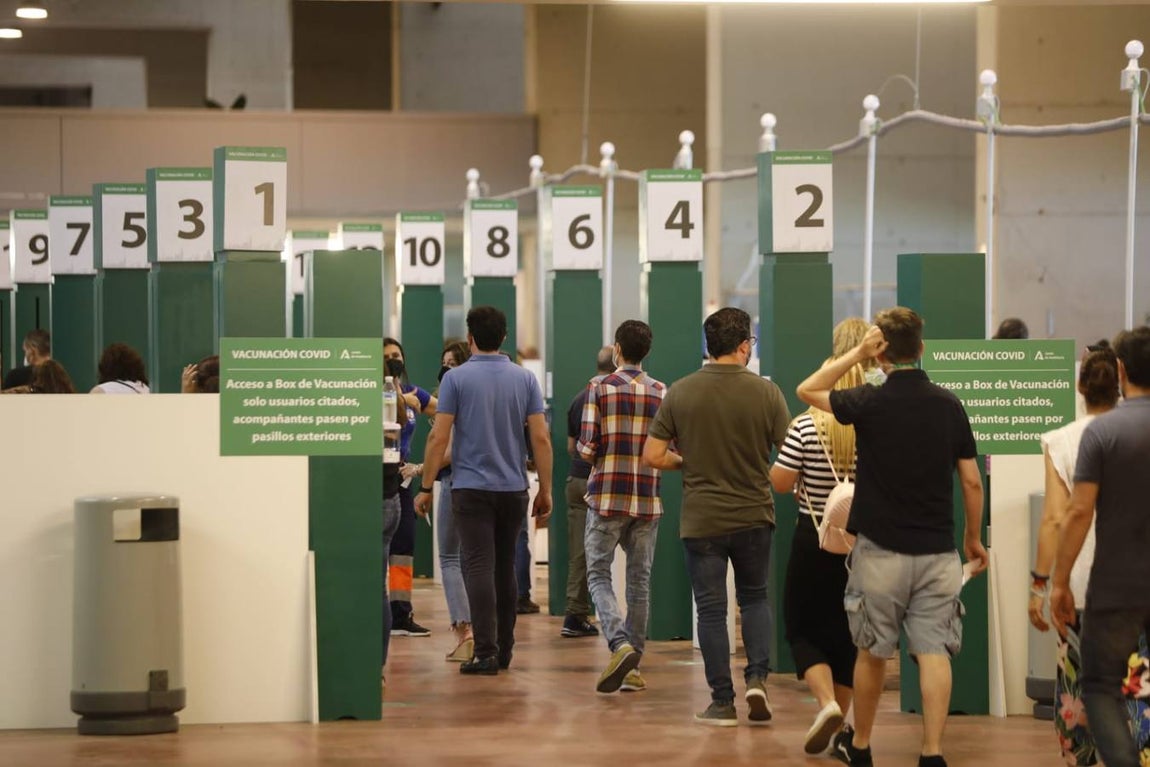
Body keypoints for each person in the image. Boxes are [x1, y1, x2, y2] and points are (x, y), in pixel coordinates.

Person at [796, 307, 988, 767]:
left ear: (882, 353)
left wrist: (857, 355)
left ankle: (860, 746)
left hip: (879, 551)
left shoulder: (868, 401)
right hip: (937, 553)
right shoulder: (949, 404)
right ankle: (932, 752)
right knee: (933, 651)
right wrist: (972, 539)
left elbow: (808, 389)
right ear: (921, 349)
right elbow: (972, 480)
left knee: (872, 653)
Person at [642, 307, 790, 726]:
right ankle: (758, 679)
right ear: (744, 346)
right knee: (755, 597)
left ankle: (722, 702)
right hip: (754, 515)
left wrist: (686, 462)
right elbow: (789, 451)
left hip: (702, 519)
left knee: (711, 611)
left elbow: (653, 455)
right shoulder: (767, 393)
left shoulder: (682, 392)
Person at [415, 306, 552, 675]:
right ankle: (505, 651)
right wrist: (546, 489)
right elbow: (540, 437)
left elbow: (438, 435)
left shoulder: (455, 380)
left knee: (476, 565)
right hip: (513, 489)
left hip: (471, 489)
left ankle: (486, 652)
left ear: (470, 337)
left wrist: (426, 485)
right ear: (504, 337)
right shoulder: (525, 380)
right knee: (504, 567)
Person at [1029, 343, 1148, 765]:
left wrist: (1043, 583)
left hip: (1083, 585)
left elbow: (1056, 519)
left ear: (1080, 388)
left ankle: (1082, 759)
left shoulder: (1063, 440)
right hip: (1134, 581)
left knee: (1079, 689)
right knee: (1139, 687)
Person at [769, 318, 868, 753]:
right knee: (849, 638)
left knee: (802, 628)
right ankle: (842, 723)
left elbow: (781, 481)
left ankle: (826, 703)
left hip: (813, 537)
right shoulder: (873, 424)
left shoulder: (806, 425)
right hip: (863, 544)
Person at [578, 321, 664, 694]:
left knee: (598, 574)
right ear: (647, 351)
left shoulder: (598, 388)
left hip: (607, 495)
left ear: (617, 349)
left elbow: (586, 448)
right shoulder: (662, 391)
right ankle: (632, 667)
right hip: (647, 497)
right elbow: (666, 447)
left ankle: (619, 644)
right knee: (639, 582)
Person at [559, 345, 614, 639]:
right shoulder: (613, 396)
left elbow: (572, 446)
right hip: (604, 482)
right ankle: (577, 614)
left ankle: (576, 612)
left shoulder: (579, 398)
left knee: (579, 553)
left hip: (577, 479)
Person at [384, 337, 437, 638]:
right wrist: (403, 402)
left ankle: (401, 614)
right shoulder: (374, 391)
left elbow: (443, 411)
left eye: (397, 354)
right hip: (377, 479)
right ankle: (378, 611)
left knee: (404, 547)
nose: (394, 359)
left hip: (402, 479)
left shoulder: (413, 392)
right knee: (380, 549)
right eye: (388, 355)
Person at [433, 340, 474, 662]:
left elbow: (445, 447)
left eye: (452, 362)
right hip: (482, 483)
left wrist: (423, 472)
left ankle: (465, 632)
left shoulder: (455, 396)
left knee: (449, 558)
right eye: (444, 362)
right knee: (474, 560)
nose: (447, 367)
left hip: (453, 481)